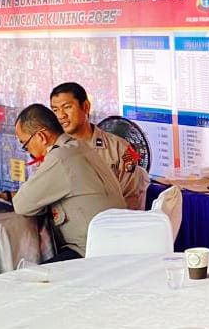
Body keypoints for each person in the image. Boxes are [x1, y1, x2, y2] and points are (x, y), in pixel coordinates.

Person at [10, 104, 125, 260]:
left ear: (41, 136)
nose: (28, 151)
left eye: (25, 145)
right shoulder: (81, 146)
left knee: (29, 272)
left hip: (89, 253)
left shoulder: (59, 157)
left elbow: (22, 205)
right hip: (117, 245)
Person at [49, 81, 149, 209]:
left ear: (85, 107)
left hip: (111, 219)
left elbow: (131, 199)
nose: (61, 115)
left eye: (67, 107)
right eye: (55, 110)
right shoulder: (54, 152)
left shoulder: (119, 149)